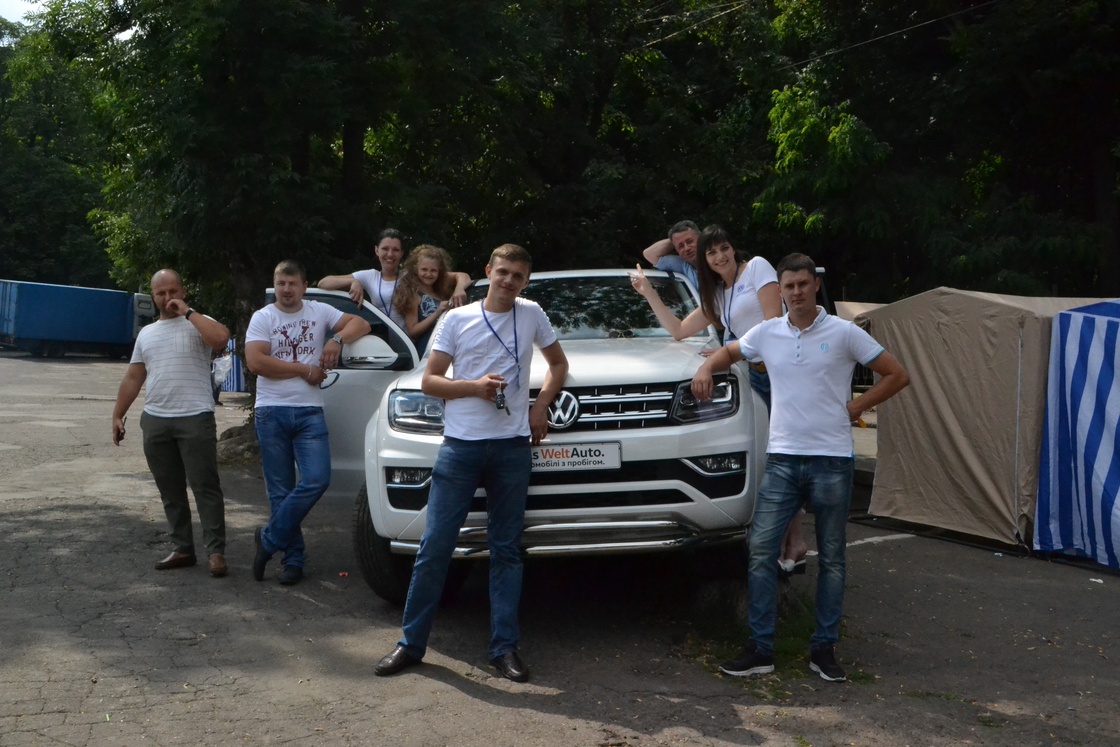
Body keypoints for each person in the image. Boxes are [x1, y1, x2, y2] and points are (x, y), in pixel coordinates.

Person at [691, 252, 909, 683]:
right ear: (781, 290)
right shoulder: (767, 332)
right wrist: (705, 368)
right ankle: (761, 649)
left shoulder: (844, 333)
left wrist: (857, 406)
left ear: (815, 286)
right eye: (788, 286)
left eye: (802, 285)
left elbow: (896, 374)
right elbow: (729, 352)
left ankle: (823, 649)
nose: (795, 293)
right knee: (760, 550)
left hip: (832, 459)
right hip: (783, 459)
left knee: (832, 558)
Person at [374, 244, 569, 683]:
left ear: (525, 281)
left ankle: (504, 648)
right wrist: (474, 387)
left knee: (506, 550)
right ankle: (410, 644)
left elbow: (558, 364)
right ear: (488, 272)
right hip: (461, 447)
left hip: (512, 448)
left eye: (518, 276)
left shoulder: (531, 313)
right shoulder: (457, 319)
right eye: (503, 272)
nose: (509, 281)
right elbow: (430, 382)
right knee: (435, 547)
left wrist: (540, 406)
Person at [631, 225, 809, 571]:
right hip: (755, 377)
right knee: (774, 458)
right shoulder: (719, 295)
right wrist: (648, 291)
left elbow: (773, 324)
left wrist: (727, 353)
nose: (720, 256)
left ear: (733, 249)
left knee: (787, 455)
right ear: (705, 260)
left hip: (782, 374)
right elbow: (679, 330)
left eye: (724, 248)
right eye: (711, 253)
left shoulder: (756, 268)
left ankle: (793, 540)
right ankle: (791, 542)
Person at [245, 260, 372, 585]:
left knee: (317, 478)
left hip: (309, 411)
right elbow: (256, 362)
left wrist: (336, 340)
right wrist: (304, 369)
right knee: (280, 490)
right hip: (271, 411)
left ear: (304, 286)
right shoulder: (263, 317)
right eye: (281, 283)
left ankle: (268, 539)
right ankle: (293, 560)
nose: (286, 289)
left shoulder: (319, 311)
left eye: (292, 283)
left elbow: (361, 324)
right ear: (275, 285)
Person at [111, 269, 232, 577]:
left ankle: (215, 551)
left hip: (195, 416)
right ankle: (183, 548)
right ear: (153, 296)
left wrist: (188, 313)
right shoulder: (147, 334)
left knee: (205, 486)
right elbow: (134, 376)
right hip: (156, 419)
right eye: (161, 293)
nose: (167, 298)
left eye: (173, 291)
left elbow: (221, 339)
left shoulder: (198, 322)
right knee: (170, 489)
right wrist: (117, 414)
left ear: (183, 291)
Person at [317, 228, 471, 330]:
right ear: (376, 250)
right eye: (385, 249)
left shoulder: (411, 275)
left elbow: (462, 276)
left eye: (395, 250)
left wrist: (459, 289)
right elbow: (324, 283)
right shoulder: (369, 276)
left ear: (402, 253)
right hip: (384, 341)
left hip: (409, 341)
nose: (390, 254)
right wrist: (353, 281)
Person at [393, 244, 457, 353]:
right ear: (416, 269)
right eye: (424, 269)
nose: (428, 274)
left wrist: (459, 290)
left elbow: (464, 277)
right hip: (428, 351)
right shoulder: (413, 295)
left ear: (439, 271)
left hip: (448, 348)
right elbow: (412, 331)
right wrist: (437, 313)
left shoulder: (441, 294)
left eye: (433, 270)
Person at [641, 219, 701, 287]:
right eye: (681, 246)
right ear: (676, 250)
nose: (687, 248)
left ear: (701, 238)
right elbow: (649, 254)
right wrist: (675, 240)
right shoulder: (683, 266)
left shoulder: (711, 259)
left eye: (689, 241)